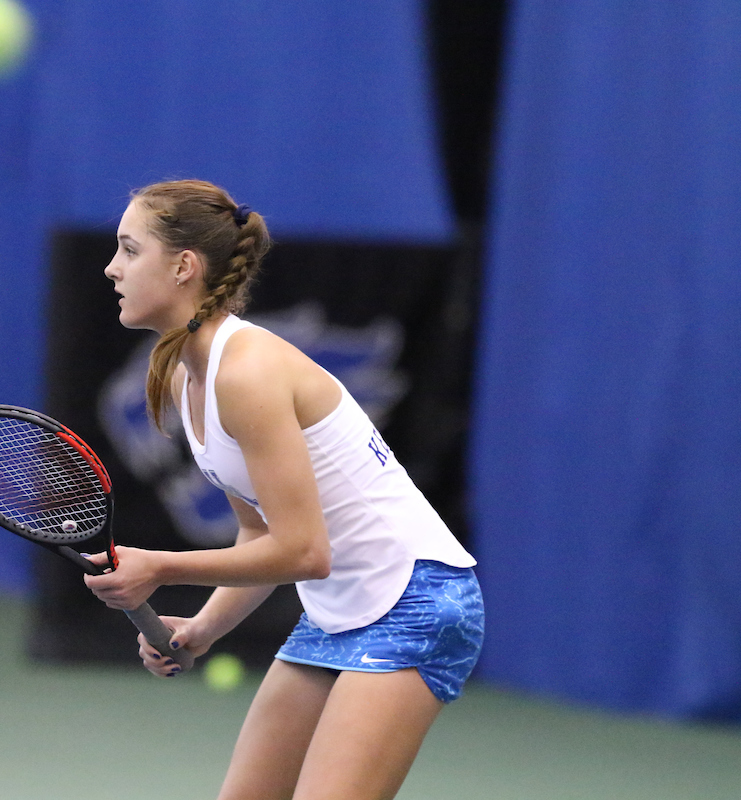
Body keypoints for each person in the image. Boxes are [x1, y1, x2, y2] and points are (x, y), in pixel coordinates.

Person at [85, 179, 484, 799]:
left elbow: (304, 553)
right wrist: (206, 626)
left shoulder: (244, 372)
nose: (112, 268)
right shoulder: (189, 381)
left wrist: (159, 566)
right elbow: (260, 532)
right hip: (336, 611)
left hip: (415, 601)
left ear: (183, 266)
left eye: (130, 250)